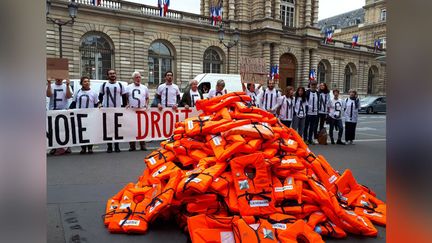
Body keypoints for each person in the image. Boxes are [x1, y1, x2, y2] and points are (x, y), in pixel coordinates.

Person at [98, 69, 128, 153]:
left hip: (117, 109)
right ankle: (109, 146)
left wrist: (125, 105)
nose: (112, 75)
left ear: (116, 74)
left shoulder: (120, 85)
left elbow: (124, 96)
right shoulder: (104, 85)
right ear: (108, 75)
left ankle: (117, 146)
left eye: (114, 73)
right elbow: (100, 96)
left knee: (117, 128)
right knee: (108, 129)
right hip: (107, 109)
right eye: (110, 74)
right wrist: (100, 103)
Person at [69, 76, 99, 154]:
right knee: (81, 131)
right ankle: (83, 148)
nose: (87, 83)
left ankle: (90, 148)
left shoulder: (94, 93)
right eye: (85, 81)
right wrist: (68, 110)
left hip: (90, 115)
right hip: (80, 115)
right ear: (81, 83)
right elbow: (74, 103)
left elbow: (96, 104)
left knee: (90, 131)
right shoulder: (77, 92)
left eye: (88, 81)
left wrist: (96, 112)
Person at [46, 77, 73, 155]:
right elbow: (48, 94)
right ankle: (55, 147)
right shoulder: (51, 86)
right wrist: (49, 84)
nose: (59, 79)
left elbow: (68, 96)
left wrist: (68, 85)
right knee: (54, 130)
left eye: (60, 78)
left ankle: (67, 147)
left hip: (64, 110)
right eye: (57, 78)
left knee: (65, 129)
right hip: (53, 111)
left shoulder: (66, 86)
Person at [126, 71, 149, 151]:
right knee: (132, 128)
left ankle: (143, 144)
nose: (138, 79)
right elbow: (125, 98)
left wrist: (146, 104)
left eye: (139, 77)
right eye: (136, 77)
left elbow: (147, 98)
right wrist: (127, 103)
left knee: (142, 128)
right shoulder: (128, 87)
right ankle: (132, 145)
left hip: (142, 110)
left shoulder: (144, 88)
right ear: (133, 78)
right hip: (132, 110)